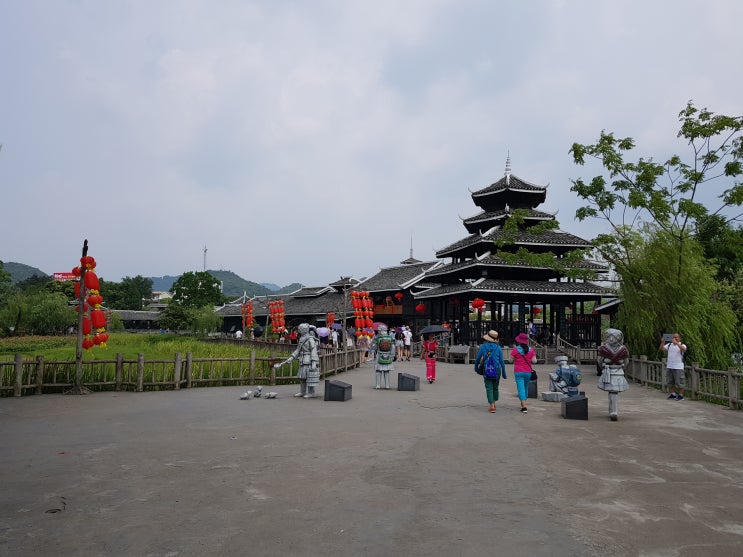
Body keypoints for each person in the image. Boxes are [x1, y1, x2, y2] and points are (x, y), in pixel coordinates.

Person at [273, 323, 320, 398]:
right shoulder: (301, 338)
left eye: (300, 329)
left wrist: (314, 362)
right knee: (302, 377)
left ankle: (311, 392)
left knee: (309, 377)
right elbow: (298, 350)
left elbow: (313, 350)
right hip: (302, 359)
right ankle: (302, 391)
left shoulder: (310, 339)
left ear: (305, 330)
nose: (299, 331)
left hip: (309, 359)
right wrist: (291, 358)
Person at [597, 328, 630, 420]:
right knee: (613, 391)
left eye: (613, 337)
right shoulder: (604, 349)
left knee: (613, 391)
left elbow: (626, 362)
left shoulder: (623, 349)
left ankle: (613, 410)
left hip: (617, 371)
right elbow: (600, 361)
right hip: (609, 371)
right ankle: (613, 410)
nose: (611, 339)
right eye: (609, 337)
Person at [474, 330, 506, 413]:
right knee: (495, 387)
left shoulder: (483, 347)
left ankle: (492, 405)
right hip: (497, 370)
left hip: (487, 369)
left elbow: (477, 359)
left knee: (489, 387)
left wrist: (476, 368)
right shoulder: (498, 348)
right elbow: (502, 362)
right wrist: (504, 373)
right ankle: (494, 402)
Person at [510, 332, 537, 414]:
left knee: (520, 388)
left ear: (519, 341)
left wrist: (515, 359)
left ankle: (524, 406)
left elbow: (510, 360)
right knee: (525, 387)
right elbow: (534, 361)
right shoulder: (531, 350)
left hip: (518, 371)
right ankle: (523, 404)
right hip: (528, 372)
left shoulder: (515, 349)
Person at [660, 332, 687, 401]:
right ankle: (673, 394)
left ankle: (681, 395)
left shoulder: (682, 344)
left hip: (678, 366)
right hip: (670, 366)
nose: (675, 338)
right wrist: (663, 342)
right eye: (673, 337)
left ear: (679, 338)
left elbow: (684, 349)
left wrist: (677, 343)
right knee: (670, 381)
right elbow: (662, 349)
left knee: (680, 382)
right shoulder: (669, 345)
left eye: (676, 337)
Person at [372, 324, 395, 389]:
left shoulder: (378, 338)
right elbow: (393, 347)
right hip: (388, 355)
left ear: (381, 331)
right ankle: (387, 385)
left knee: (378, 371)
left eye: (379, 330)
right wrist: (392, 355)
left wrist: (373, 341)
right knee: (386, 371)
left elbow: (374, 347)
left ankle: (378, 385)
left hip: (379, 355)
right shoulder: (390, 338)